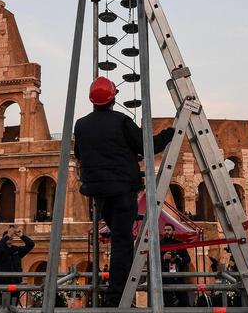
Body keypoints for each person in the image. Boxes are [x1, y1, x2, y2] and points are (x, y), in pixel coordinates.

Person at [73, 76, 176, 307]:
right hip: (121, 190)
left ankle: (114, 292)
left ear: (92, 100)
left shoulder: (80, 124)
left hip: (97, 192)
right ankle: (117, 298)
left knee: (116, 236)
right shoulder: (121, 120)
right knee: (122, 240)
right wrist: (170, 134)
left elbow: (81, 154)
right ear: (112, 99)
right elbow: (147, 146)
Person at [0, 225, 35, 306]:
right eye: (8, 236)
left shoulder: (16, 250)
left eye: (11, 236)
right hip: (1, 284)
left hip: (15, 284)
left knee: (13, 307)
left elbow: (31, 245)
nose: (10, 237)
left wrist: (21, 235)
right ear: (3, 238)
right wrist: (8, 235)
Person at [161, 223, 191, 307]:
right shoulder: (159, 244)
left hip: (178, 277)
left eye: (169, 230)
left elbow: (188, 259)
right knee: (168, 303)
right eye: (165, 230)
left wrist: (178, 259)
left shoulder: (179, 243)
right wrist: (164, 257)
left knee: (184, 301)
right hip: (165, 278)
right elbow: (153, 259)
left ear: (173, 232)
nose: (166, 232)